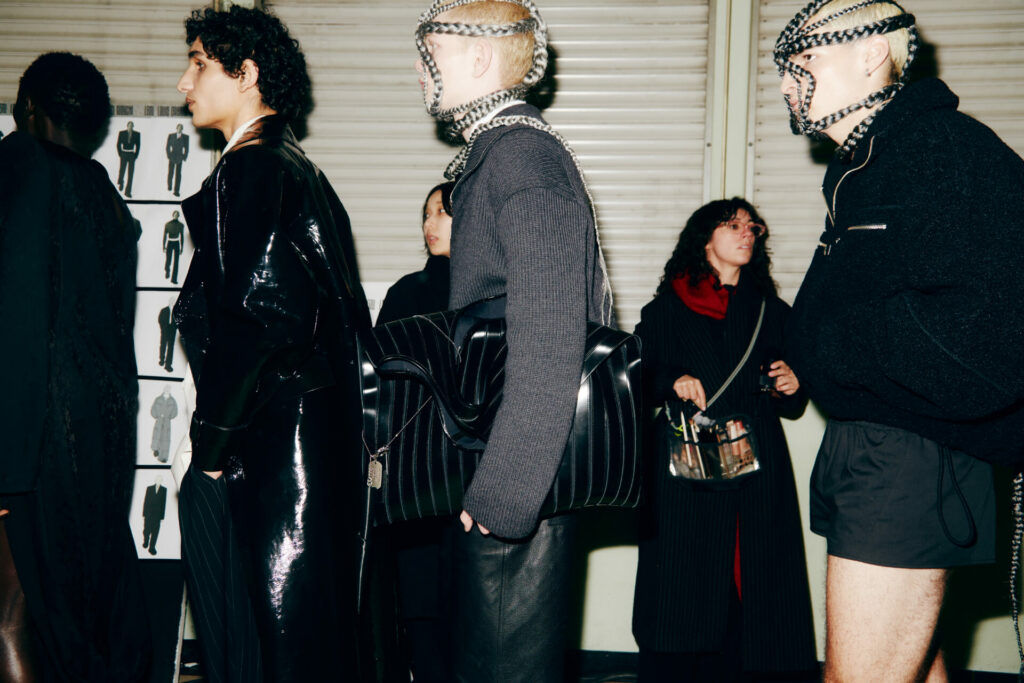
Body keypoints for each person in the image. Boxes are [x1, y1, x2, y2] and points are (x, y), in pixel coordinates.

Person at [775, 1, 1024, 680]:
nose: (789, 82)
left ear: (869, 55)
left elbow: (993, 333)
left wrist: (838, 343)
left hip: (907, 455)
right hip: (870, 445)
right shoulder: (867, 165)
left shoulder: (944, 150)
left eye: (808, 61)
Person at [415, 1, 614, 680]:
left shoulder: (522, 156)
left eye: (432, 53)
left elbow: (551, 337)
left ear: (476, 58)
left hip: (517, 484)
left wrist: (503, 492)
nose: (420, 71)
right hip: (503, 470)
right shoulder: (497, 154)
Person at [172, 6, 372, 682]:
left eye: (198, 62)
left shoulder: (250, 170)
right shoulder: (294, 166)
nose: (183, 82)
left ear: (246, 72)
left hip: (264, 453)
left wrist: (211, 448)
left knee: (252, 648)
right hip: (297, 446)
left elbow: (261, 319)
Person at [0, 51, 151, 682]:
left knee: (24, 615)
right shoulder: (102, 193)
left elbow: (17, 321)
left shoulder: (16, 167)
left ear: (30, 108)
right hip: (102, 437)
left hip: (33, 441)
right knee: (90, 607)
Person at [631, 198, 816, 682]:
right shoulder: (666, 309)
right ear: (704, 239)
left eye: (752, 226)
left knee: (756, 576)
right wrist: (673, 379)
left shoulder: (772, 312)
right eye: (732, 225)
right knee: (682, 583)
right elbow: (639, 377)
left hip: (756, 463)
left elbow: (791, 399)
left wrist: (793, 383)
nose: (747, 232)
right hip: (684, 462)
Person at [376, 180, 455, 682]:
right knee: (419, 605)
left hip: (477, 469)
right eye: (425, 215)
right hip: (415, 466)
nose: (429, 225)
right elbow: (377, 369)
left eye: (441, 214)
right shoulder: (408, 291)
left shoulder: (503, 291)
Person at [117, 119, 140, 197]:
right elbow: (118, 144)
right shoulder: (122, 133)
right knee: (122, 170)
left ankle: (128, 192)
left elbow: (138, 146)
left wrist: (135, 155)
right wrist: (120, 154)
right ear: (127, 126)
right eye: (129, 126)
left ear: (133, 127)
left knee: (130, 173)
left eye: (131, 126)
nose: (130, 127)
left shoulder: (137, 134)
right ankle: (121, 182)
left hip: (131, 154)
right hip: (124, 153)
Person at [166, 122, 189, 196]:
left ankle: (176, 191)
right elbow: (167, 147)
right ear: (176, 128)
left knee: (178, 174)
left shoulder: (185, 137)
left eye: (181, 128)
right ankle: (169, 186)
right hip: (172, 156)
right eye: (178, 128)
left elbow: (186, 148)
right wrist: (169, 155)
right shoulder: (171, 136)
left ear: (182, 129)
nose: (179, 129)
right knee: (170, 172)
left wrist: (184, 157)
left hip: (179, 157)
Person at [163, 209, 185, 283]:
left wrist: (182, 247)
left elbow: (182, 236)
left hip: (177, 243)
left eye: (177, 215)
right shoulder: (167, 224)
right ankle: (167, 271)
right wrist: (163, 246)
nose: (175, 216)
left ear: (178, 216)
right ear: (173, 215)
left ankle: (174, 279)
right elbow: (164, 236)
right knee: (168, 260)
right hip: (169, 243)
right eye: (174, 214)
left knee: (176, 262)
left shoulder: (181, 225)